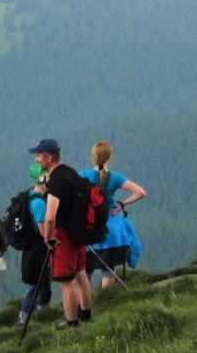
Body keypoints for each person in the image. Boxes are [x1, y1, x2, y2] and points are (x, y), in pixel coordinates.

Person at [30, 137, 94, 327]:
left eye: (39, 156)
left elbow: (50, 216)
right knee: (81, 273)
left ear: (49, 158)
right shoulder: (71, 173)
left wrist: (48, 237)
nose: (36, 159)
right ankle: (87, 315)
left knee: (67, 282)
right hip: (79, 233)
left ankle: (72, 324)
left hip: (63, 236)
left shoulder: (56, 181)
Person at [80, 140, 146, 287]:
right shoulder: (115, 178)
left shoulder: (83, 175)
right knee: (108, 269)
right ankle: (107, 303)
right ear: (109, 157)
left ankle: (85, 307)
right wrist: (121, 205)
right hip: (112, 228)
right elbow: (140, 192)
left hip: (89, 227)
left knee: (86, 272)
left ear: (93, 157)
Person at [19, 163, 52, 324]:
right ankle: (26, 317)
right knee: (35, 284)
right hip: (39, 249)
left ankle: (34, 314)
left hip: (32, 249)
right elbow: (43, 231)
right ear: (43, 177)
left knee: (39, 282)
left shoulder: (31, 194)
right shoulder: (39, 203)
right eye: (48, 175)